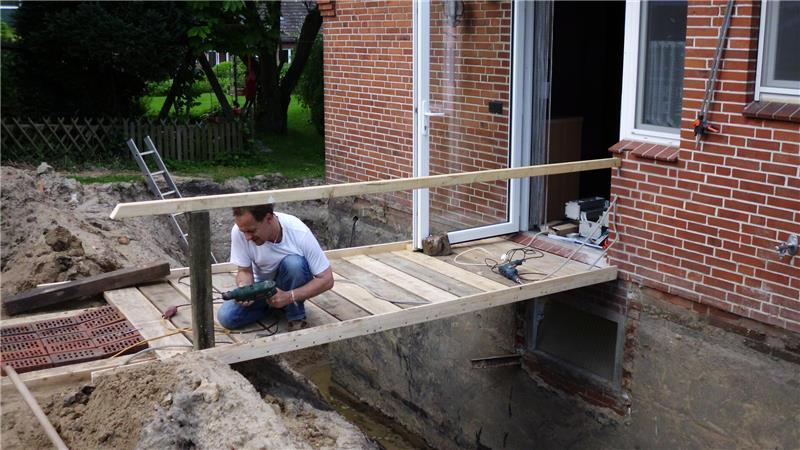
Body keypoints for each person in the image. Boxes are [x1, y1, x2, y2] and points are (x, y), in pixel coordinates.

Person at [218, 204, 334, 332]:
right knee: (226, 317)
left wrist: (289, 296)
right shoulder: (240, 230)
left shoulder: (298, 232)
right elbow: (244, 270)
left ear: (268, 219)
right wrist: (245, 288)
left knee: (294, 263)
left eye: (251, 231)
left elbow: (327, 279)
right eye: (243, 232)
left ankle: (295, 316)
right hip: (262, 289)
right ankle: (275, 306)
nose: (247, 237)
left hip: (290, 287)